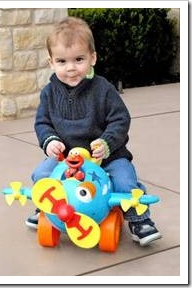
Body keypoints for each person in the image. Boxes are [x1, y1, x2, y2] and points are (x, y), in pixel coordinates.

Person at [26, 16, 162, 246]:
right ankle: (47, 208)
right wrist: (49, 141)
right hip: (67, 159)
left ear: (92, 58)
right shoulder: (49, 93)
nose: (70, 68)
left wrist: (107, 142)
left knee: (125, 180)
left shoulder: (103, 89)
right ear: (51, 62)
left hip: (107, 156)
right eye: (62, 61)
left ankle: (139, 220)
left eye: (79, 59)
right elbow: (42, 123)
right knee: (41, 176)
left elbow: (120, 119)